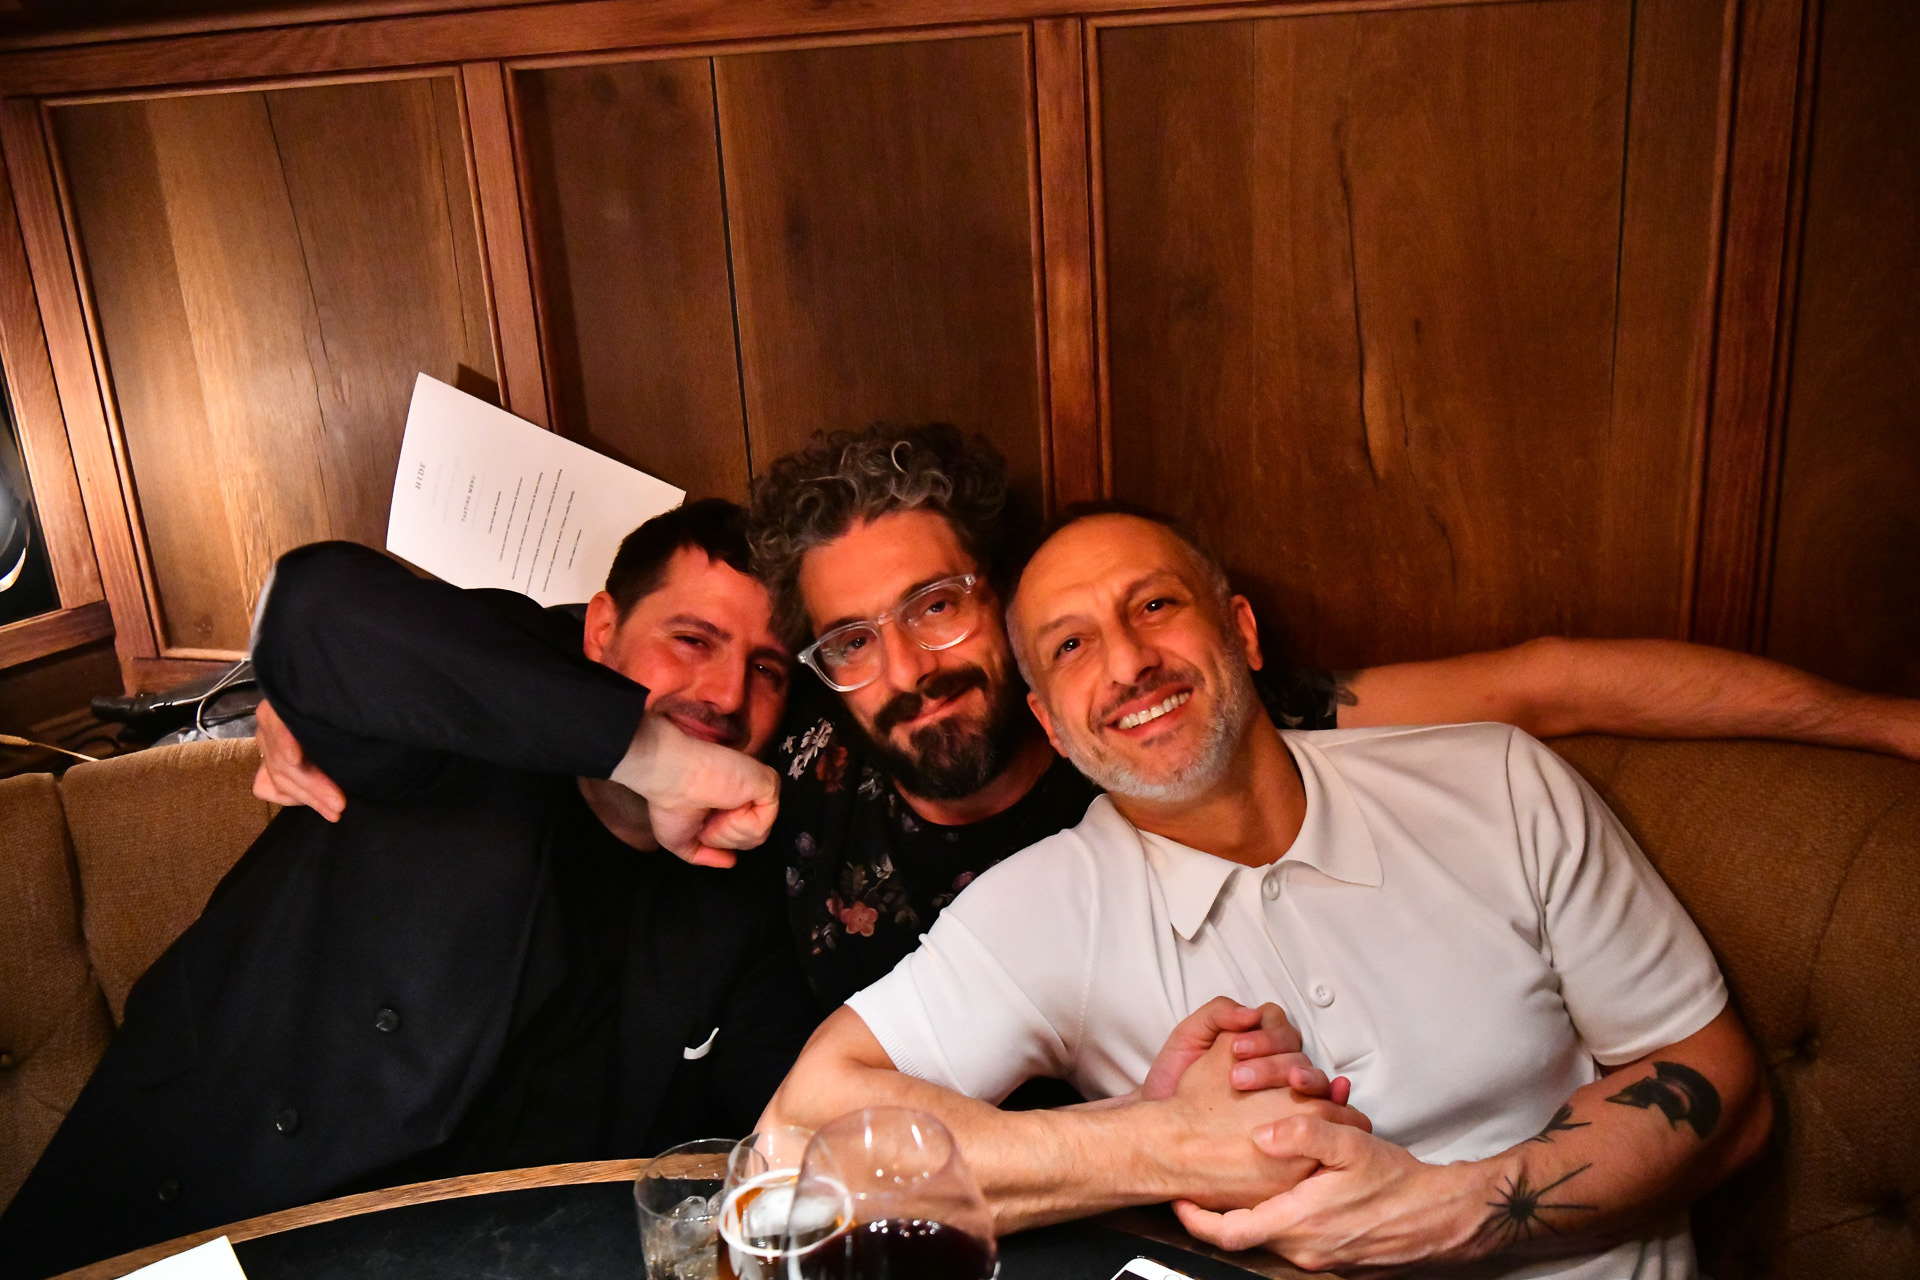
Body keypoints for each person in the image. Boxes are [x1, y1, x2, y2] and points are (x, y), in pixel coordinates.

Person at [764, 508, 1773, 1279]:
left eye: (1154, 606)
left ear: (1241, 631)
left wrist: (1444, 1210)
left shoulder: (1495, 784)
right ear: (1053, 726)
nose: (1129, 663)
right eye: (1071, 645)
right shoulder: (1043, 908)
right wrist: (1161, 1143)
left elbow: (1723, 1085)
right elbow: (796, 1146)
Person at [746, 423, 1920, 1010]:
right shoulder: (798, 765)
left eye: (937, 606)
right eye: (852, 639)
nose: (908, 667)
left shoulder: (1166, 726)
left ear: (1008, 608)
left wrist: (1882, 724)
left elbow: (1548, 680)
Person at [0, 501, 818, 1280]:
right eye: (691, 639)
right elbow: (314, 606)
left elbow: (790, 1130)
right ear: (599, 631)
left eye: (767, 670)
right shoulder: (459, 715)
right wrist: (654, 759)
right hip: (192, 1211)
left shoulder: (740, 896)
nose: (726, 694)